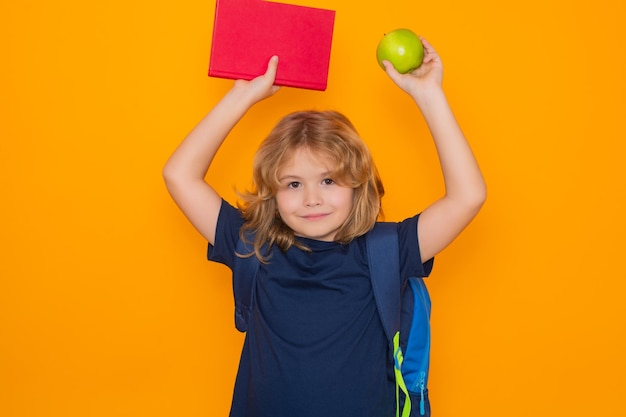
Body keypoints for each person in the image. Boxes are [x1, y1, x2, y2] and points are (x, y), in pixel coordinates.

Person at [163, 38, 486, 417]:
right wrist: (243, 96)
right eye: (293, 184)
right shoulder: (252, 244)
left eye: (329, 181)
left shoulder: (387, 250)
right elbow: (179, 175)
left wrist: (429, 94)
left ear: (357, 185)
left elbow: (468, 196)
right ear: (273, 193)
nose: (312, 198)